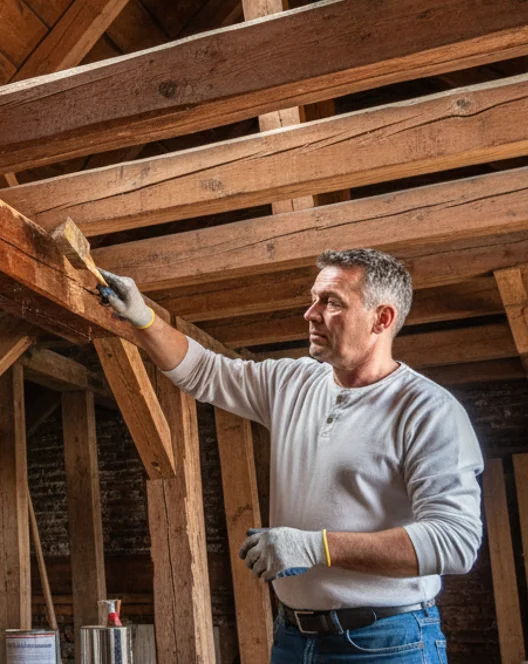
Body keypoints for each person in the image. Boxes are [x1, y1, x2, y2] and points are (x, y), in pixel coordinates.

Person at [99, 248, 482, 664]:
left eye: (331, 302)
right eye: (314, 298)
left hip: (387, 643)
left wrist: (315, 548)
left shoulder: (427, 410)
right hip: (294, 638)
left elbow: (455, 542)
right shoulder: (293, 381)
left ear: (382, 318)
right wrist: (142, 318)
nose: (311, 314)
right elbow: (205, 372)